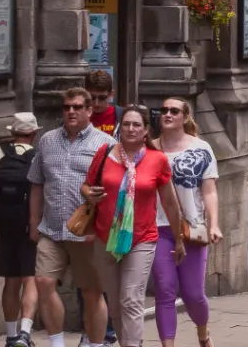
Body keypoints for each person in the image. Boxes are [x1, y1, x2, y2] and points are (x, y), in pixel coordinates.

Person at [75, 104, 184, 347]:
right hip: (106, 238)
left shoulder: (157, 160)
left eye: (136, 125)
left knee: (131, 300)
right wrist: (89, 194)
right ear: (120, 128)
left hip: (142, 238)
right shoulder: (104, 154)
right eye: (126, 124)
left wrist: (178, 238)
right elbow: (86, 186)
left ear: (146, 130)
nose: (131, 129)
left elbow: (169, 201)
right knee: (115, 302)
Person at [27, 87, 115, 347]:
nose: (71, 112)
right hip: (51, 229)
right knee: (43, 282)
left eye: (77, 107)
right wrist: (34, 222)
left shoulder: (106, 144)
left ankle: (97, 344)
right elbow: (36, 183)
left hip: (86, 233)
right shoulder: (47, 140)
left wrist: (103, 228)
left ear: (89, 111)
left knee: (91, 292)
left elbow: (114, 190)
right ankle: (57, 343)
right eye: (66, 107)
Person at [151, 98, 217, 347]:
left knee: (193, 294)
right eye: (163, 110)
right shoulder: (149, 149)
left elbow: (209, 190)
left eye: (173, 111)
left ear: (185, 117)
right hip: (158, 228)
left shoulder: (201, 149)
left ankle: (203, 334)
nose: (167, 114)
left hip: (192, 228)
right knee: (165, 291)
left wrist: (214, 224)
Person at [0, 115, 38, 347]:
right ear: (33, 133)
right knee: (30, 279)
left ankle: (11, 335)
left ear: (12, 132)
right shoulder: (36, 156)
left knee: (10, 282)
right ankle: (25, 332)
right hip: (29, 226)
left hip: (4, 227)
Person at [85, 71, 118, 136]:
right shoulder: (80, 116)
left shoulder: (120, 116)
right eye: (92, 97)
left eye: (102, 97)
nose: (96, 103)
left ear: (111, 94)